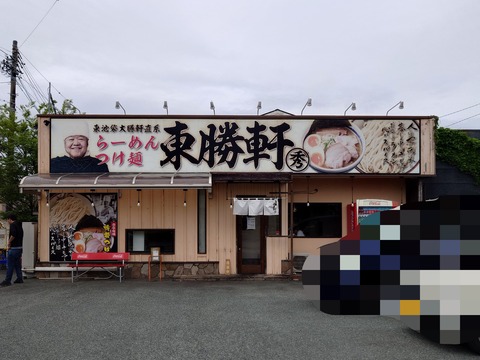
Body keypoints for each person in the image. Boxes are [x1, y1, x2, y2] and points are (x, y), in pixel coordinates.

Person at [0, 214, 24, 287]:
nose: (7, 221)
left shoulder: (13, 225)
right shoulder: (20, 225)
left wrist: (9, 242)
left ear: (10, 219)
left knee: (10, 264)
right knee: (17, 264)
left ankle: (7, 280)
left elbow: (13, 234)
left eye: (8, 220)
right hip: (19, 247)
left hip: (14, 248)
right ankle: (19, 278)